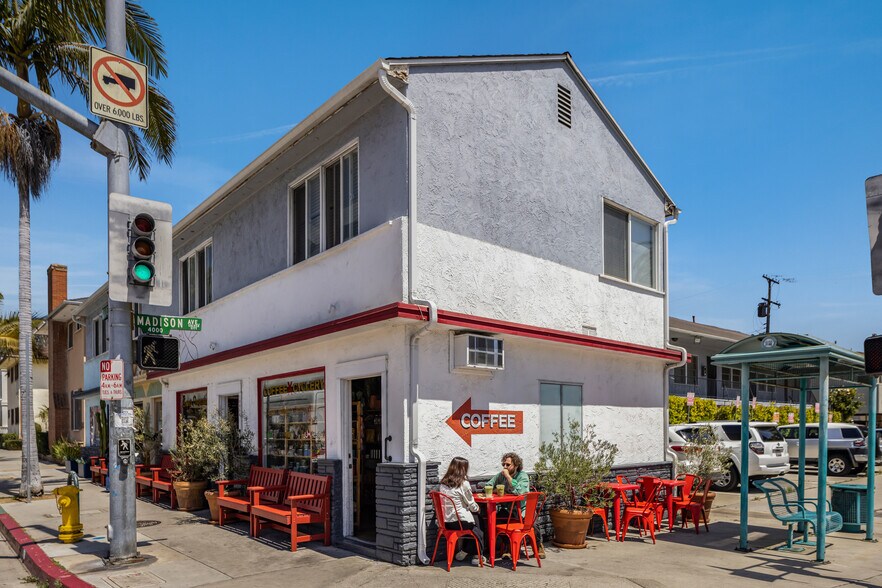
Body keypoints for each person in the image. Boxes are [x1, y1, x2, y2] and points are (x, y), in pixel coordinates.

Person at [486, 452, 545, 559]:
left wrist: (508, 477)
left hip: (522, 508)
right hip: (508, 508)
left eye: (508, 465)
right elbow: (488, 485)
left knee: (532, 522)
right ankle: (508, 546)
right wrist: (495, 490)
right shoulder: (500, 475)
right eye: (503, 464)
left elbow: (521, 492)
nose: (504, 467)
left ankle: (538, 545)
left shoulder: (522, 476)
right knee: (497, 520)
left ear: (516, 466)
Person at [438, 457, 487, 564]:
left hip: (446, 522)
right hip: (459, 522)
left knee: (474, 522)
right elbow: (472, 505)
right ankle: (476, 554)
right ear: (463, 469)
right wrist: (478, 509)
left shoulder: (443, 483)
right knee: (479, 520)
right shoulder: (463, 484)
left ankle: (466, 551)